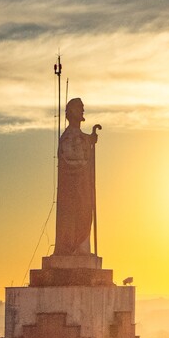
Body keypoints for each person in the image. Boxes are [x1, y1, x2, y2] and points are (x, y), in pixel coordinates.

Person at [55, 98, 100, 256]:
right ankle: (73, 248)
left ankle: (81, 248)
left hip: (82, 187)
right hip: (73, 188)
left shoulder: (79, 137)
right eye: (80, 108)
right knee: (74, 215)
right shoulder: (67, 138)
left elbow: (80, 145)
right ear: (72, 112)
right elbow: (72, 159)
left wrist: (89, 140)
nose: (82, 110)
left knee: (85, 214)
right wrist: (88, 141)